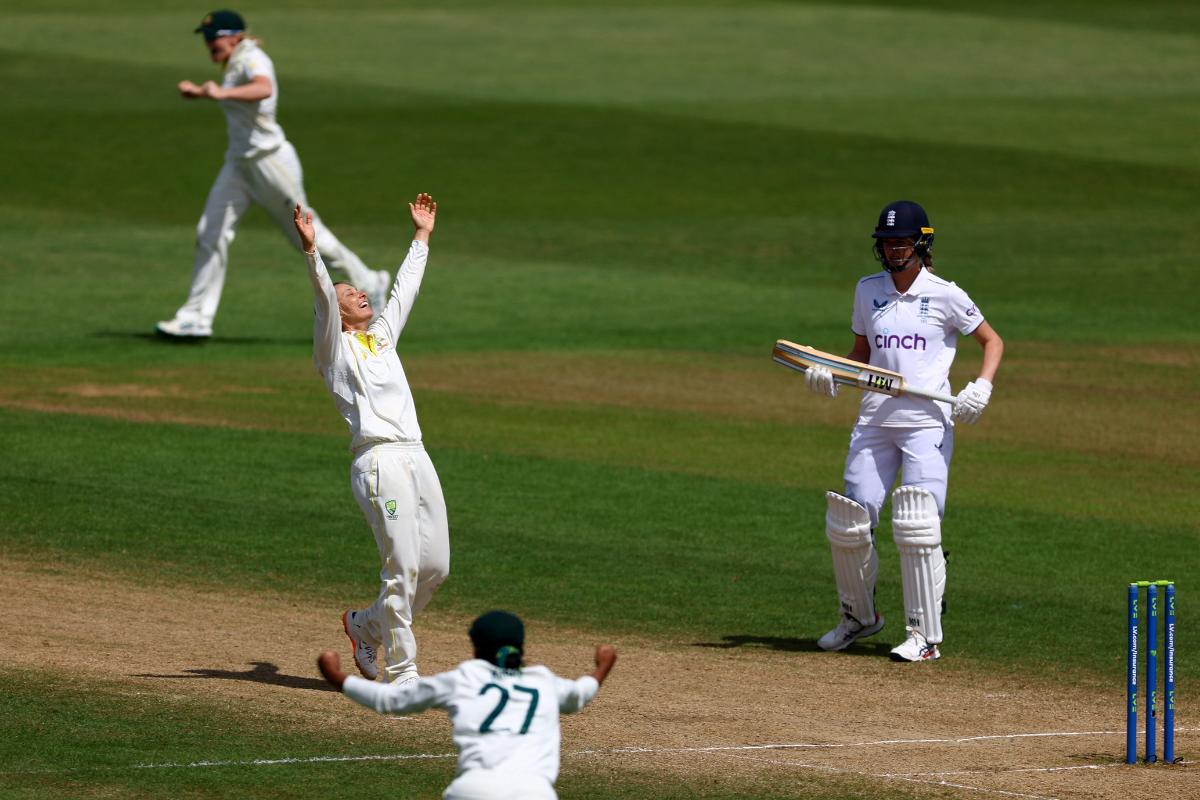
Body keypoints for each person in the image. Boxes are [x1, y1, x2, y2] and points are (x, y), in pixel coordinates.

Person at [805, 200, 1003, 662]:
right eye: (886, 243)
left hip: (924, 424)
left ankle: (924, 636)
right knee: (850, 521)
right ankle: (860, 617)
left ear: (921, 243)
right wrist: (831, 374)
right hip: (874, 419)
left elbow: (993, 341)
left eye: (901, 242)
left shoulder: (945, 294)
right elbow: (861, 353)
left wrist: (982, 386)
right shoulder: (867, 290)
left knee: (917, 523)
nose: (893, 250)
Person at [157, 10, 389, 340]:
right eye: (206, 39)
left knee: (308, 236)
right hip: (239, 165)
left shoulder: (253, 58)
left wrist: (218, 94)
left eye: (214, 37)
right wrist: (201, 92)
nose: (209, 45)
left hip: (270, 162)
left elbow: (263, 89)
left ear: (234, 36)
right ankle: (195, 317)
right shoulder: (234, 63)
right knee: (211, 231)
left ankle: (368, 282)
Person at [294, 193, 449, 684]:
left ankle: (365, 627)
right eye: (348, 294)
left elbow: (404, 290)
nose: (358, 293)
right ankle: (404, 672)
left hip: (417, 455)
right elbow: (322, 297)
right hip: (377, 461)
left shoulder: (381, 336)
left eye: (358, 290)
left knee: (436, 568)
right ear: (335, 314)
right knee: (401, 566)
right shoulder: (332, 351)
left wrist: (421, 236)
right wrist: (312, 253)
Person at [318, 610, 617, 800]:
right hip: (534, 793)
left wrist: (338, 677)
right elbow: (581, 693)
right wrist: (603, 666)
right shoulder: (543, 681)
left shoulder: (465, 678)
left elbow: (390, 700)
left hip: (472, 791)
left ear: (476, 647)